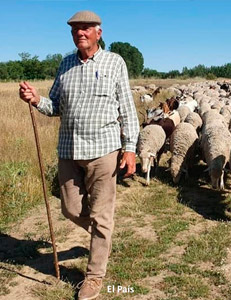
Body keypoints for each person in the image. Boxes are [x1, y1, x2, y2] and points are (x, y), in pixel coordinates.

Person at [19, 10, 140, 300]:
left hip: (104, 152)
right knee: (70, 209)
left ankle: (94, 276)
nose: (79, 33)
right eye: (75, 29)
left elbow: (127, 108)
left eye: (85, 28)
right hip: (69, 150)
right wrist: (36, 100)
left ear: (99, 32)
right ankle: (103, 233)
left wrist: (131, 148)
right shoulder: (65, 64)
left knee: (101, 214)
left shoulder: (114, 62)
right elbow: (55, 106)